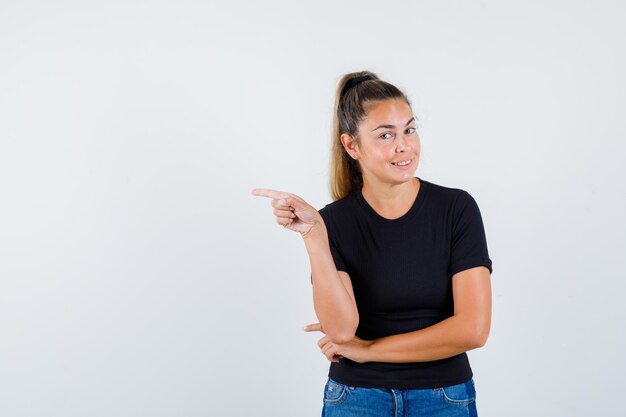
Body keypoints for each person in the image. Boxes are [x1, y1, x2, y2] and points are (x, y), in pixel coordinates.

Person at [252, 71, 492, 417]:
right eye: (385, 135)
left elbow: (473, 329)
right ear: (351, 146)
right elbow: (341, 329)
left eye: (409, 129)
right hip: (356, 399)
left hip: (443, 398)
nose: (403, 146)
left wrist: (369, 349)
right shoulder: (332, 222)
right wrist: (314, 235)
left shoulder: (456, 209)